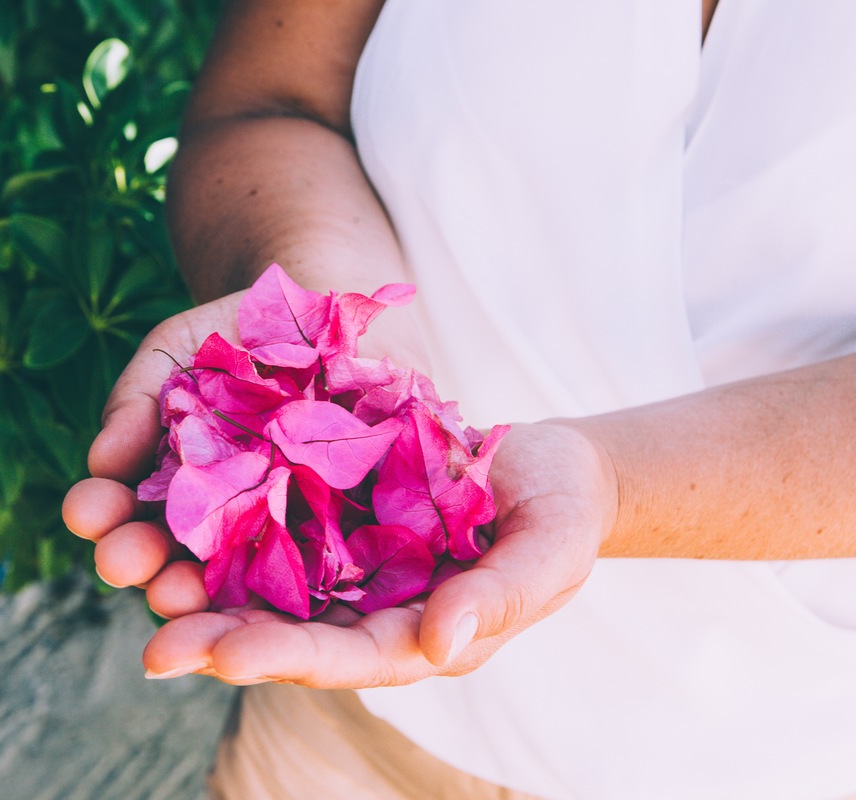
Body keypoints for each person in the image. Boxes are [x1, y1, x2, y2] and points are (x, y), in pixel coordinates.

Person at [62, 1, 856, 797]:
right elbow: (271, 102)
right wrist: (322, 318)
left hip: (750, 750)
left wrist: (607, 480)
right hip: (356, 721)